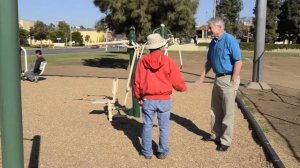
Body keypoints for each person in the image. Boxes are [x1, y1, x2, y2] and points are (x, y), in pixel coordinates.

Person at [133, 33, 187, 159]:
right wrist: (183, 88)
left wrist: (138, 97)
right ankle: (162, 151)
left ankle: (147, 152)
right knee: (164, 126)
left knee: (147, 125)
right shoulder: (168, 61)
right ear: (162, 46)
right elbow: (177, 81)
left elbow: (137, 82)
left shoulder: (142, 62)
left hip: (148, 99)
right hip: (164, 99)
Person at [195, 17, 242, 152]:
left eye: (210, 28)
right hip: (218, 79)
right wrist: (202, 78)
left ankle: (225, 141)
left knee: (228, 112)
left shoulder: (229, 40)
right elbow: (209, 61)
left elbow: (238, 61)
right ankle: (216, 135)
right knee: (215, 109)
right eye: (209, 28)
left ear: (219, 27)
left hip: (228, 79)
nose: (209, 30)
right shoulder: (213, 42)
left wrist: (233, 80)